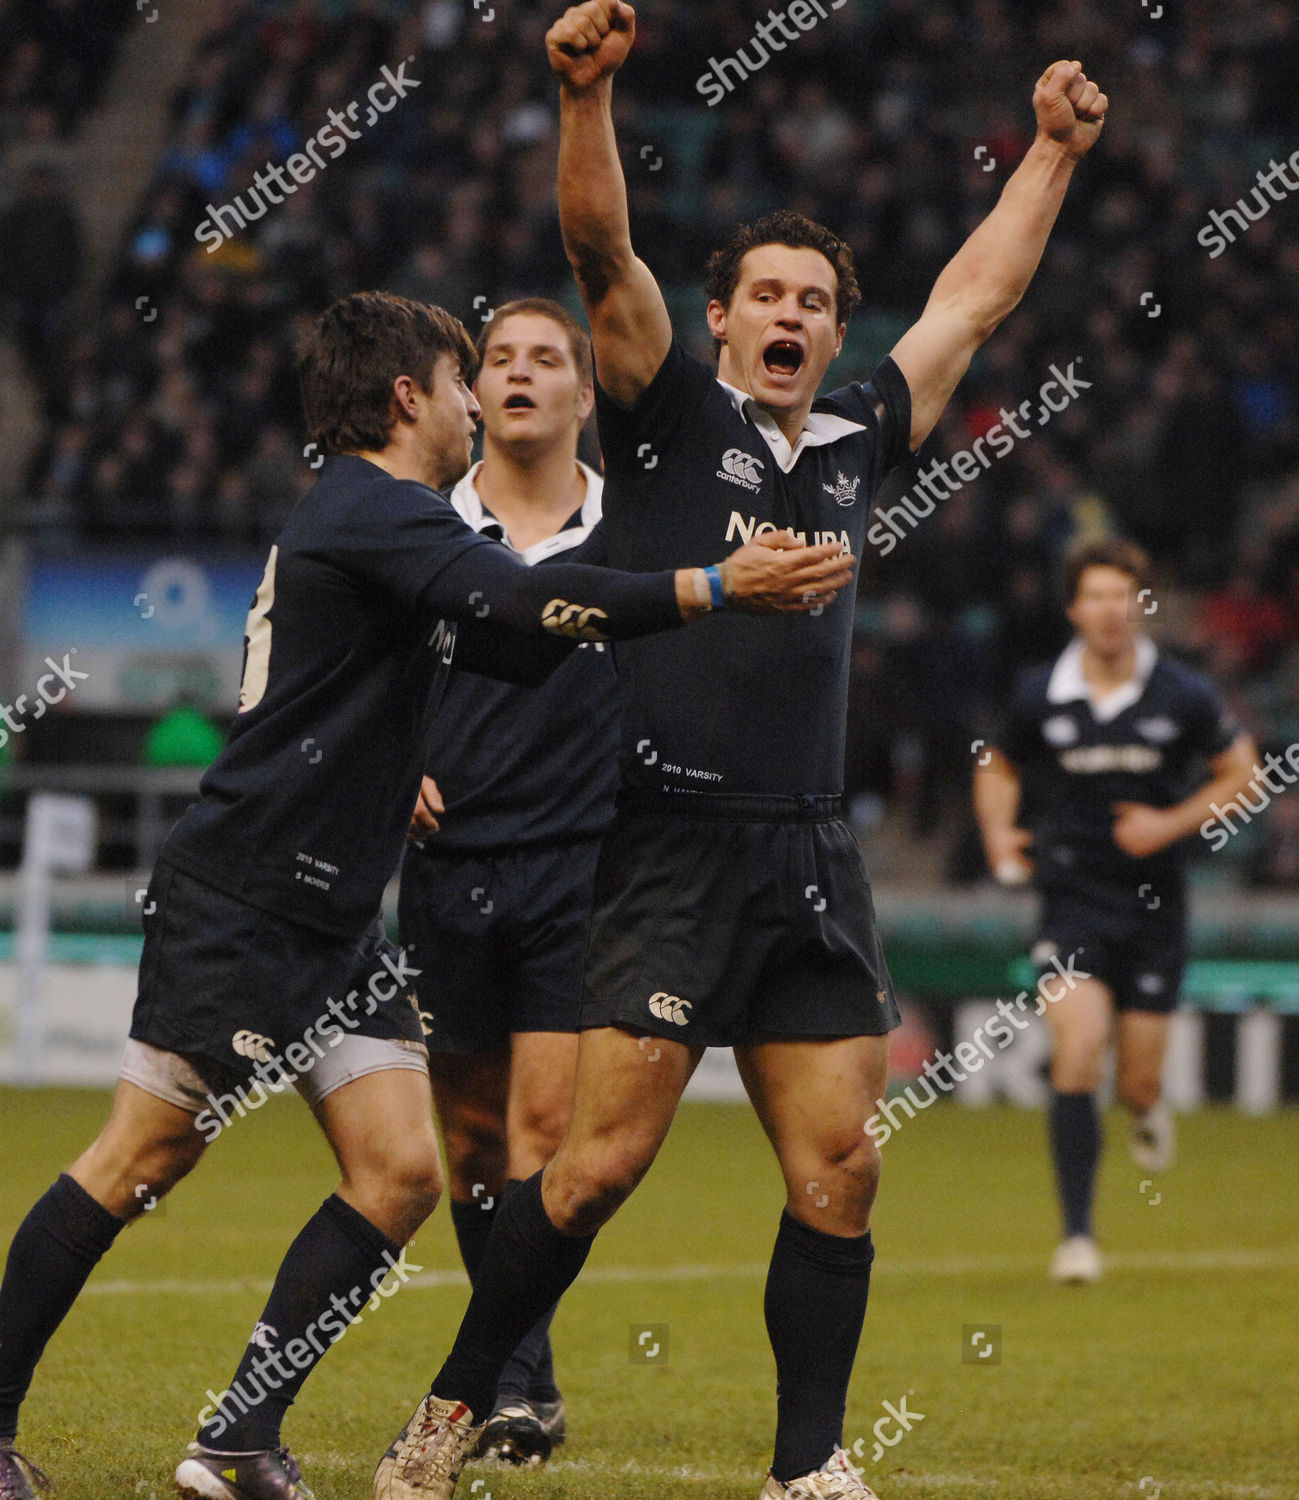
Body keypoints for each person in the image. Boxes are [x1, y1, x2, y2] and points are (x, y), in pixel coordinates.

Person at [375, 6, 1108, 1499]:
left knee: (841, 1168)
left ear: (835, 330)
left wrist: (1046, 152)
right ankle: (452, 1410)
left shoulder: (852, 441)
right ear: (718, 319)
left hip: (808, 854)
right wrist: (583, 100)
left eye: (814, 301)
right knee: (591, 1175)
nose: (788, 315)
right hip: (668, 850)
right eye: (763, 294)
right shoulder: (657, 416)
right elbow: (598, 258)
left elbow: (971, 299)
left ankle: (805, 1465)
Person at [0, 290, 848, 1500]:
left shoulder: (377, 523)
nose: (473, 404)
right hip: (247, 895)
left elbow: (514, 636)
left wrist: (676, 630)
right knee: (140, 1158)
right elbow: (511, 605)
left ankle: (238, 1438)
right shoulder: (375, 505)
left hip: (335, 908)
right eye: (462, 381)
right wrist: (711, 586)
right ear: (410, 398)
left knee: (400, 1175)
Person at [398, 298, 614, 1465]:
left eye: (548, 359)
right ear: (473, 392)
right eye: (499, 358)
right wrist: (389, 773)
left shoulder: (632, 533)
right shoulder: (422, 532)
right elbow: (345, 672)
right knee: (474, 1148)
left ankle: (514, 1387)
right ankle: (515, 1378)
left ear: (585, 393)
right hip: (447, 874)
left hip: (579, 870)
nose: (521, 373)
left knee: (543, 1132)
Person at [974, 536, 1257, 1284]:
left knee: (1136, 1081)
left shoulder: (1183, 694)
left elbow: (1242, 772)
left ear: (1140, 606)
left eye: (1120, 596)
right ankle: (1076, 1237)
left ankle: (1141, 1109)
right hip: (1069, 901)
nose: (1108, 610)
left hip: (1155, 907)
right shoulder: (1039, 692)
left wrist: (1166, 824)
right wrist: (1000, 834)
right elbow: (994, 763)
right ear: (1073, 608)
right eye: (1093, 596)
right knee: (1077, 1048)